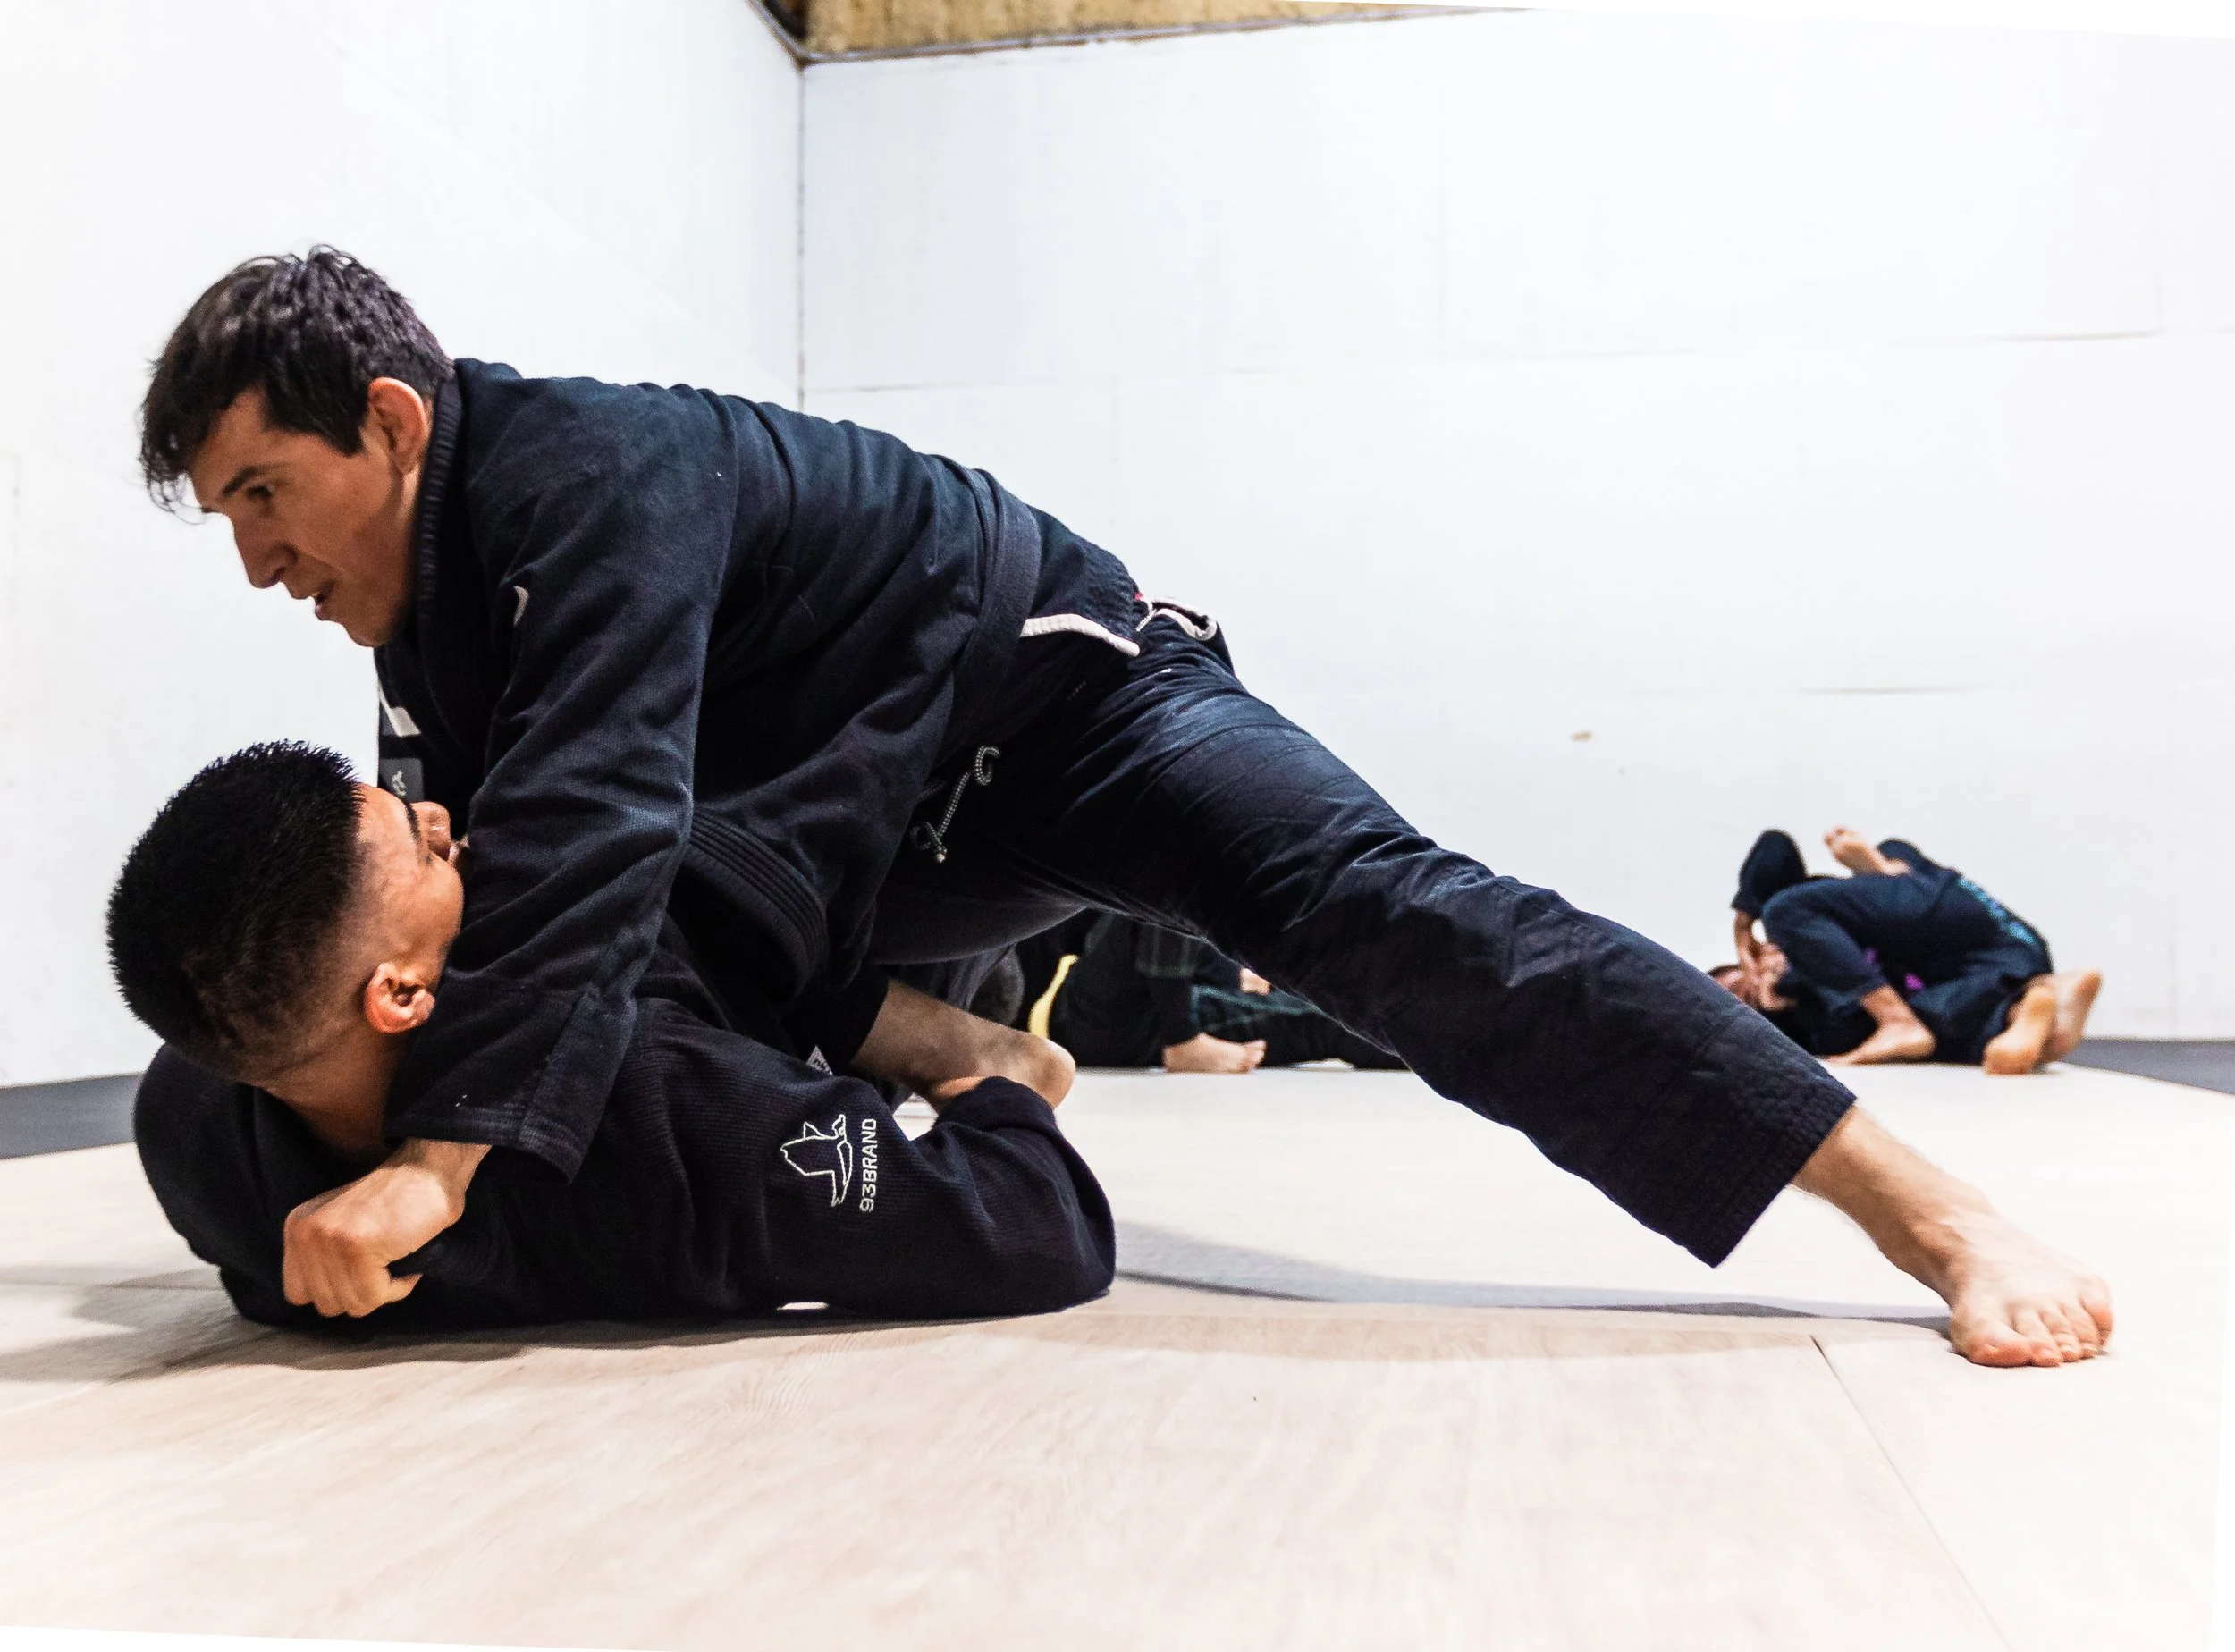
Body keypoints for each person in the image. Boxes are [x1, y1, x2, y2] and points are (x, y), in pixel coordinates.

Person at [136, 249, 2113, 1366]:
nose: (257, 563)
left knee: (1387, 917)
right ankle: (930, 1023)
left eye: (258, 498)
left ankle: (1921, 1215)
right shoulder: (428, 627)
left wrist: (441, 1166)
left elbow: (587, 816)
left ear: (385, 426)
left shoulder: (586, 477)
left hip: (1059, 696)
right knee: (607, 940)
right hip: (860, 831)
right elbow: (515, 921)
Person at [107, 745, 1111, 1328]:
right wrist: (995, 1082)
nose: (443, 816)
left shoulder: (186, 1109)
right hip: (886, 937)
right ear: (402, 993)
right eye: (424, 845)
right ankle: (953, 1035)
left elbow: (263, 1277)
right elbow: (1044, 1225)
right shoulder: (676, 1119)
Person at [1718, 828, 2101, 1075]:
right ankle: (2040, 1003)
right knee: (1948, 1024)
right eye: (1740, 1001)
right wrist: (1784, 985)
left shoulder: (1802, 913)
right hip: (2000, 953)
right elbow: (1833, 1021)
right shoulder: (1808, 1005)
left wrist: (1744, 924)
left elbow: (1775, 846)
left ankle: (1886, 867)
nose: (1747, 990)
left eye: (1735, 982)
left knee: (1787, 909)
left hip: (1946, 909)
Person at [1026, 914, 1405, 1074]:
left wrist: (1229, 973)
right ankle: (1184, 1042)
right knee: (1163, 879)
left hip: (1103, 1009)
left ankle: (1443, 1037)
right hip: (1095, 1019)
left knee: (1316, 1015)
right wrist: (1182, 1034)